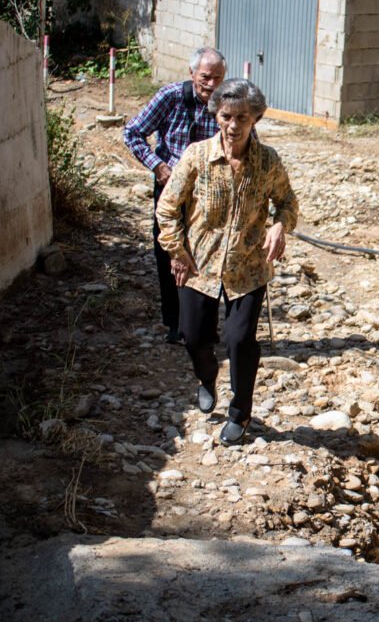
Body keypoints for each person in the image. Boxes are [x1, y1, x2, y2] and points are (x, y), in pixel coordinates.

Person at [156, 79, 298, 446]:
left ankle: (240, 413)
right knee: (194, 337)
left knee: (239, 341)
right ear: (216, 115)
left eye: (243, 118)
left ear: (256, 121)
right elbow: (168, 208)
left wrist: (279, 227)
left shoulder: (268, 162)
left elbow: (287, 202)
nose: (233, 126)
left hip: (248, 267)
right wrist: (177, 251)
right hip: (198, 264)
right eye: (226, 116)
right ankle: (206, 379)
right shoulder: (197, 156)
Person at [124, 47, 227, 344]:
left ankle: (203, 323)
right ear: (192, 73)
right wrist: (158, 167)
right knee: (171, 252)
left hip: (211, 192)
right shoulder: (170, 97)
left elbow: (246, 139)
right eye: (205, 77)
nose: (211, 85)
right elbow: (132, 132)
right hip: (171, 188)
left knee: (210, 254)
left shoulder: (226, 102)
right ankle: (175, 323)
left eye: (218, 78)